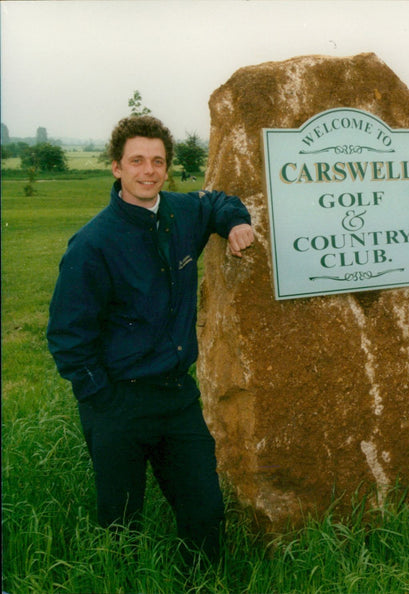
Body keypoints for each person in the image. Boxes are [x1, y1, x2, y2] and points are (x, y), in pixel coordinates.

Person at [46, 115, 254, 563]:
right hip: (117, 402)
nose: (149, 171)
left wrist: (236, 222)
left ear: (167, 167)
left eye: (157, 161)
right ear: (117, 167)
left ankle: (202, 582)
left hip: (176, 398)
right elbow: (67, 336)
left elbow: (217, 202)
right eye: (136, 160)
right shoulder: (92, 245)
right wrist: (102, 398)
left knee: (205, 516)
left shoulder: (182, 213)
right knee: (121, 526)